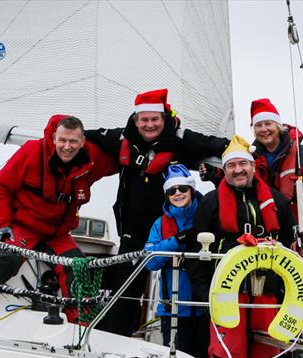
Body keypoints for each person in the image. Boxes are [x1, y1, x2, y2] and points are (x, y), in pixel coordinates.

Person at [0, 115, 117, 329]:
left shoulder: (91, 159)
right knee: (8, 260)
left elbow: (123, 160)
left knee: (77, 265)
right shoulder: (32, 152)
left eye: (73, 142)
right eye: (62, 140)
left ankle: (81, 328)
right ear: (54, 138)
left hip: (57, 234)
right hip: (26, 227)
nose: (67, 147)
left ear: (82, 141)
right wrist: (3, 224)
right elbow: (0, 186)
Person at [86, 88, 228, 337]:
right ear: (135, 120)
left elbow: (217, 144)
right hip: (134, 228)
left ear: (164, 119)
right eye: (144, 119)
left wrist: (238, 157)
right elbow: (84, 135)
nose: (149, 125)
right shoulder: (122, 138)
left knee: (187, 281)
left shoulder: (181, 140)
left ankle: (195, 341)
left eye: (155, 119)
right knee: (127, 285)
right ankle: (115, 338)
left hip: (173, 227)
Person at [187, 136, 298, 358]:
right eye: (231, 165)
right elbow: (195, 251)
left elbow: (289, 245)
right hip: (226, 294)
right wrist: (203, 294)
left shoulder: (276, 201)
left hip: (266, 292)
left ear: (252, 166)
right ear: (224, 170)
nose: (238, 170)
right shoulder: (210, 202)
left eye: (243, 164)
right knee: (227, 355)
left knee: (268, 354)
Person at [201, 98, 303, 238]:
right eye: (258, 125)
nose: (264, 129)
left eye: (268, 124)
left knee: (300, 272)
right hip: (265, 224)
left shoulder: (301, 155)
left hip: (300, 223)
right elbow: (240, 181)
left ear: (278, 126)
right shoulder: (251, 157)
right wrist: (215, 174)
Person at [143, 164, 208, 358]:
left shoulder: (206, 215)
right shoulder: (159, 224)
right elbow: (150, 261)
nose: (177, 193)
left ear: (192, 190)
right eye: (172, 190)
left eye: (182, 189)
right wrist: (176, 241)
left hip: (204, 309)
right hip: (172, 310)